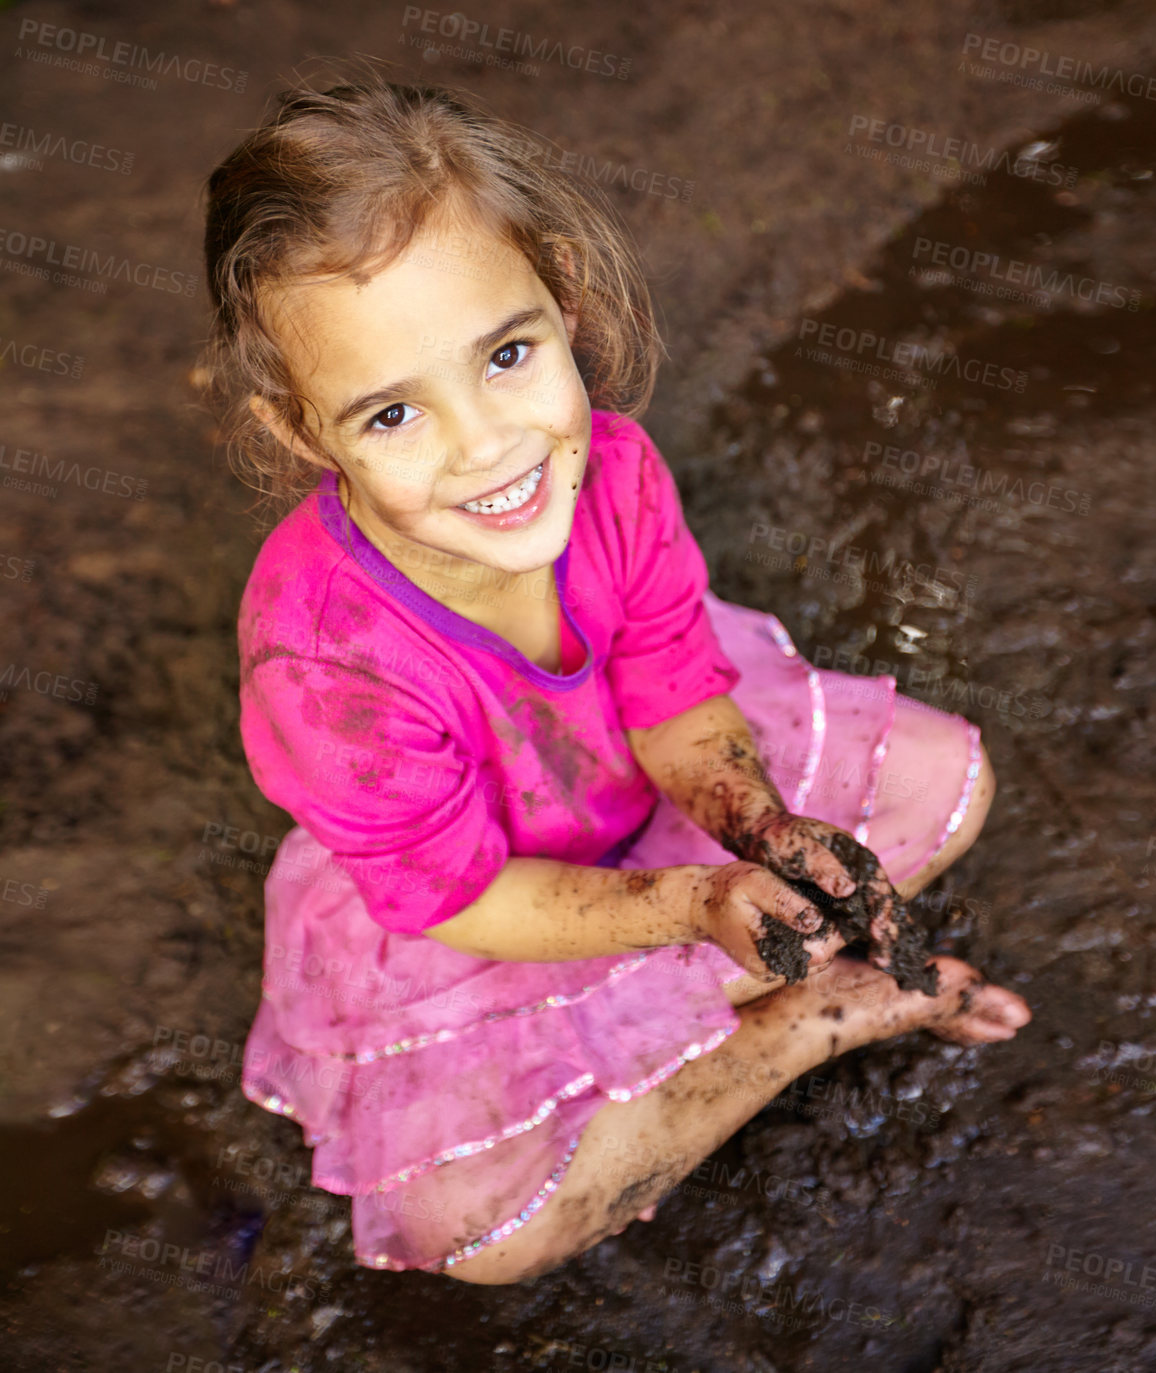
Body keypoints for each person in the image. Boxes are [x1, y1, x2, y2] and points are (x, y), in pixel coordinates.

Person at [201, 69, 1031, 1287]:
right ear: (299, 430)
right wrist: (699, 909)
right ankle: (803, 1024)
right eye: (390, 415)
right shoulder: (322, 657)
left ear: (565, 302)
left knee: (946, 787)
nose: (486, 444)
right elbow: (464, 895)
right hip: (482, 918)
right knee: (478, 1240)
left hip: (649, 813)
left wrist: (761, 828)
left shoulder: (619, 475)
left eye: (507, 353)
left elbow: (681, 702)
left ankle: (740, 979)